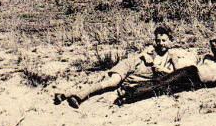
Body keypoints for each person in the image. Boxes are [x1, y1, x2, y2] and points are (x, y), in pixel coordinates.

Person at [53, 24, 194, 109]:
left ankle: (64, 95)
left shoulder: (172, 57)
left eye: (164, 40)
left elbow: (176, 74)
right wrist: (148, 57)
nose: (161, 43)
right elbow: (143, 55)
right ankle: (78, 96)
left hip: (136, 77)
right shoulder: (151, 50)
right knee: (111, 82)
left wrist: (163, 70)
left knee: (109, 85)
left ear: (171, 41)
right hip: (131, 66)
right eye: (158, 40)